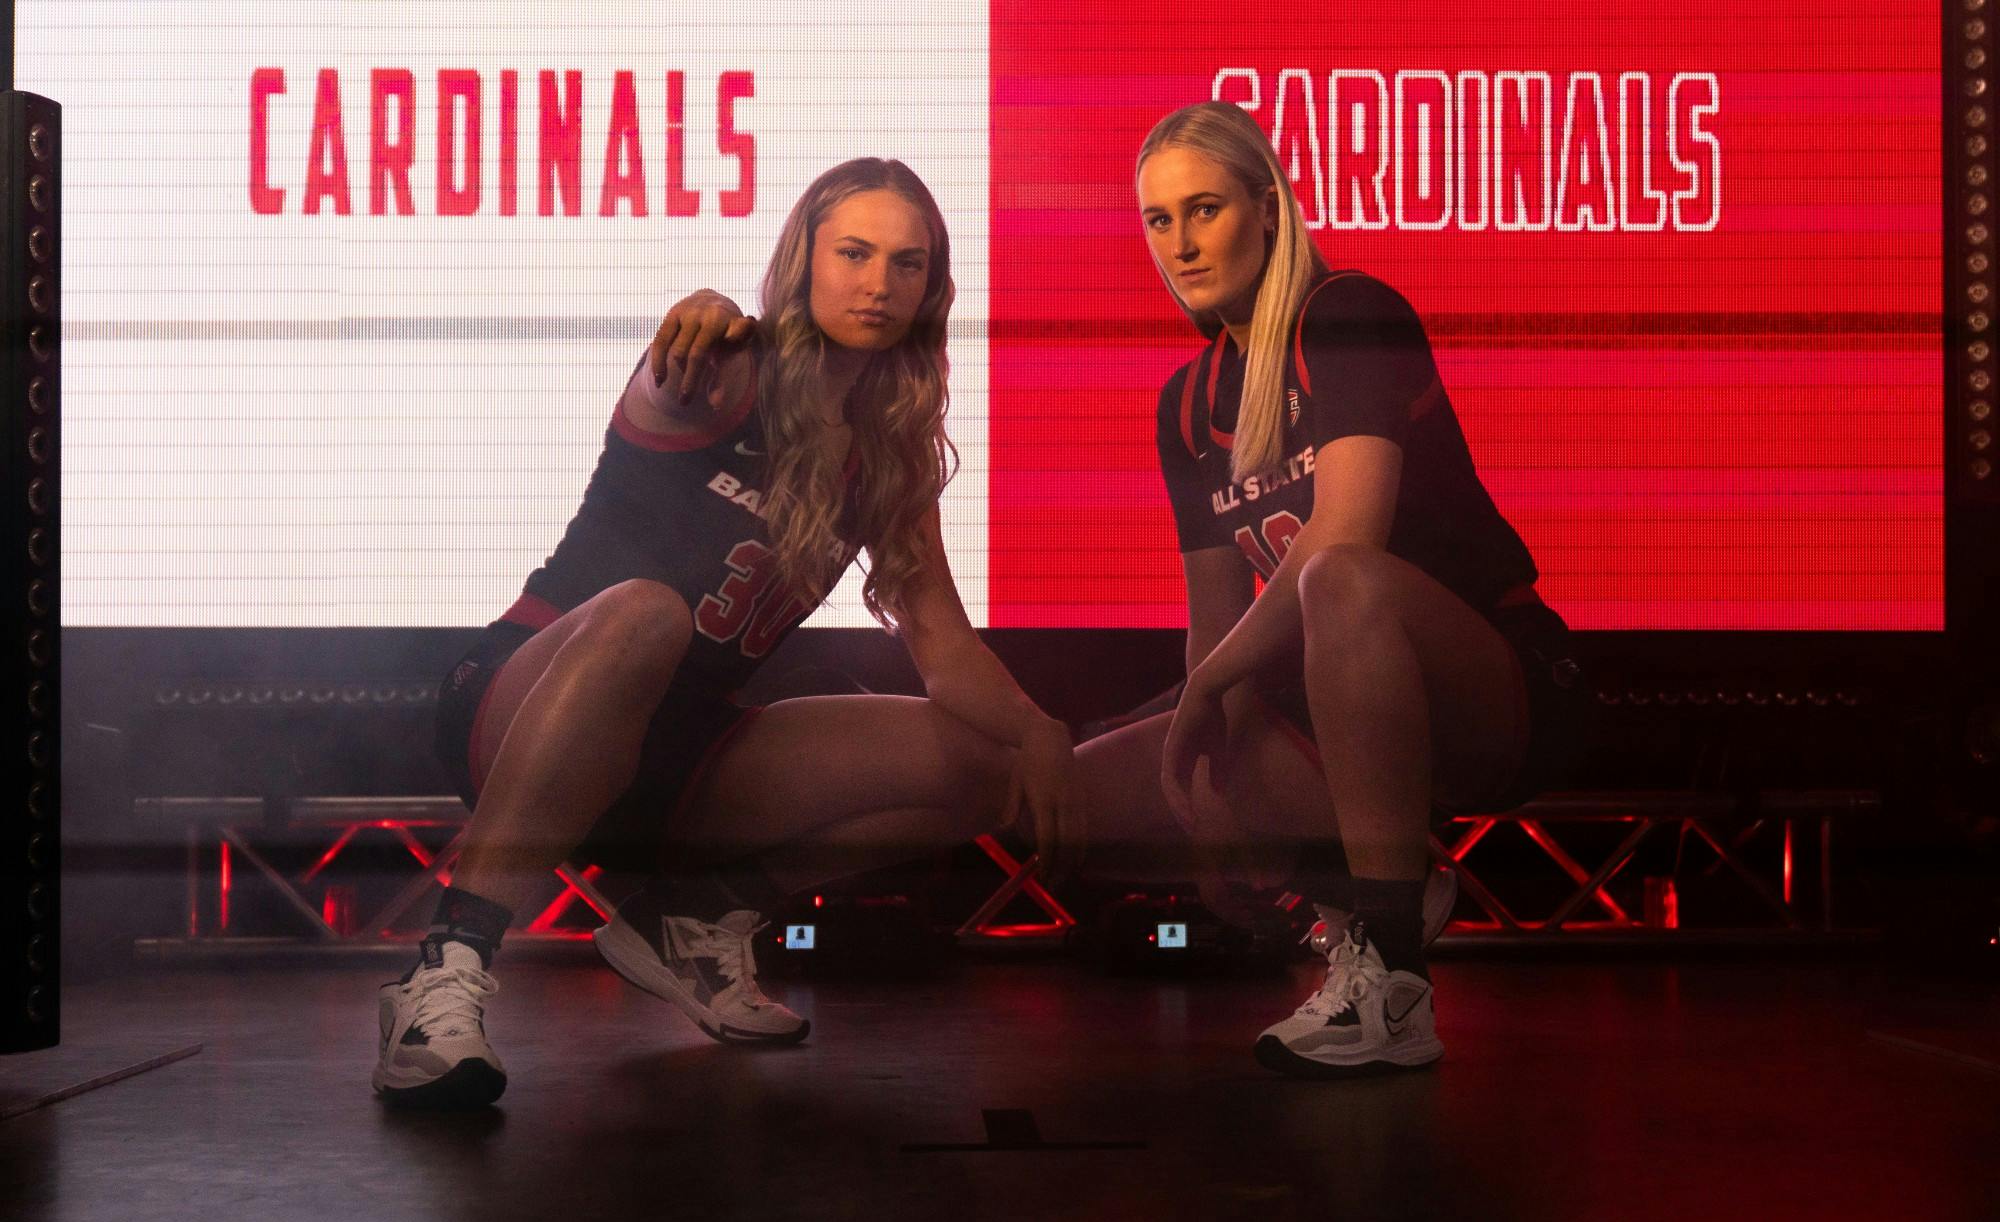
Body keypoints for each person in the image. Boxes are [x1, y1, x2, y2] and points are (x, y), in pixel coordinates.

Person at [374, 158, 1079, 1108]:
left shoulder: (885, 457)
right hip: (517, 705)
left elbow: (945, 650)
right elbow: (677, 359)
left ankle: (690, 923)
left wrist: (1041, 732)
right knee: (644, 611)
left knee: (987, 764)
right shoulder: (724, 368)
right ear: (803, 261)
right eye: (854, 253)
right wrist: (699, 306)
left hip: (673, 760)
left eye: (907, 263)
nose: (878, 283)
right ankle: (444, 967)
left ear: (933, 286)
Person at [1066, 100, 1588, 1078]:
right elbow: (1214, 624)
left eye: (1205, 209)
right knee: (1075, 782)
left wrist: (1201, 705)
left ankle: (1391, 982)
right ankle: (1365, 894)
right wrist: (1206, 770)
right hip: (1342, 717)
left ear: (1266, 208)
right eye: (1158, 220)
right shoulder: (1185, 405)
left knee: (1339, 579)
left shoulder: (1346, 313)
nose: (1180, 242)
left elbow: (1344, 538)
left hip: (1498, 687)